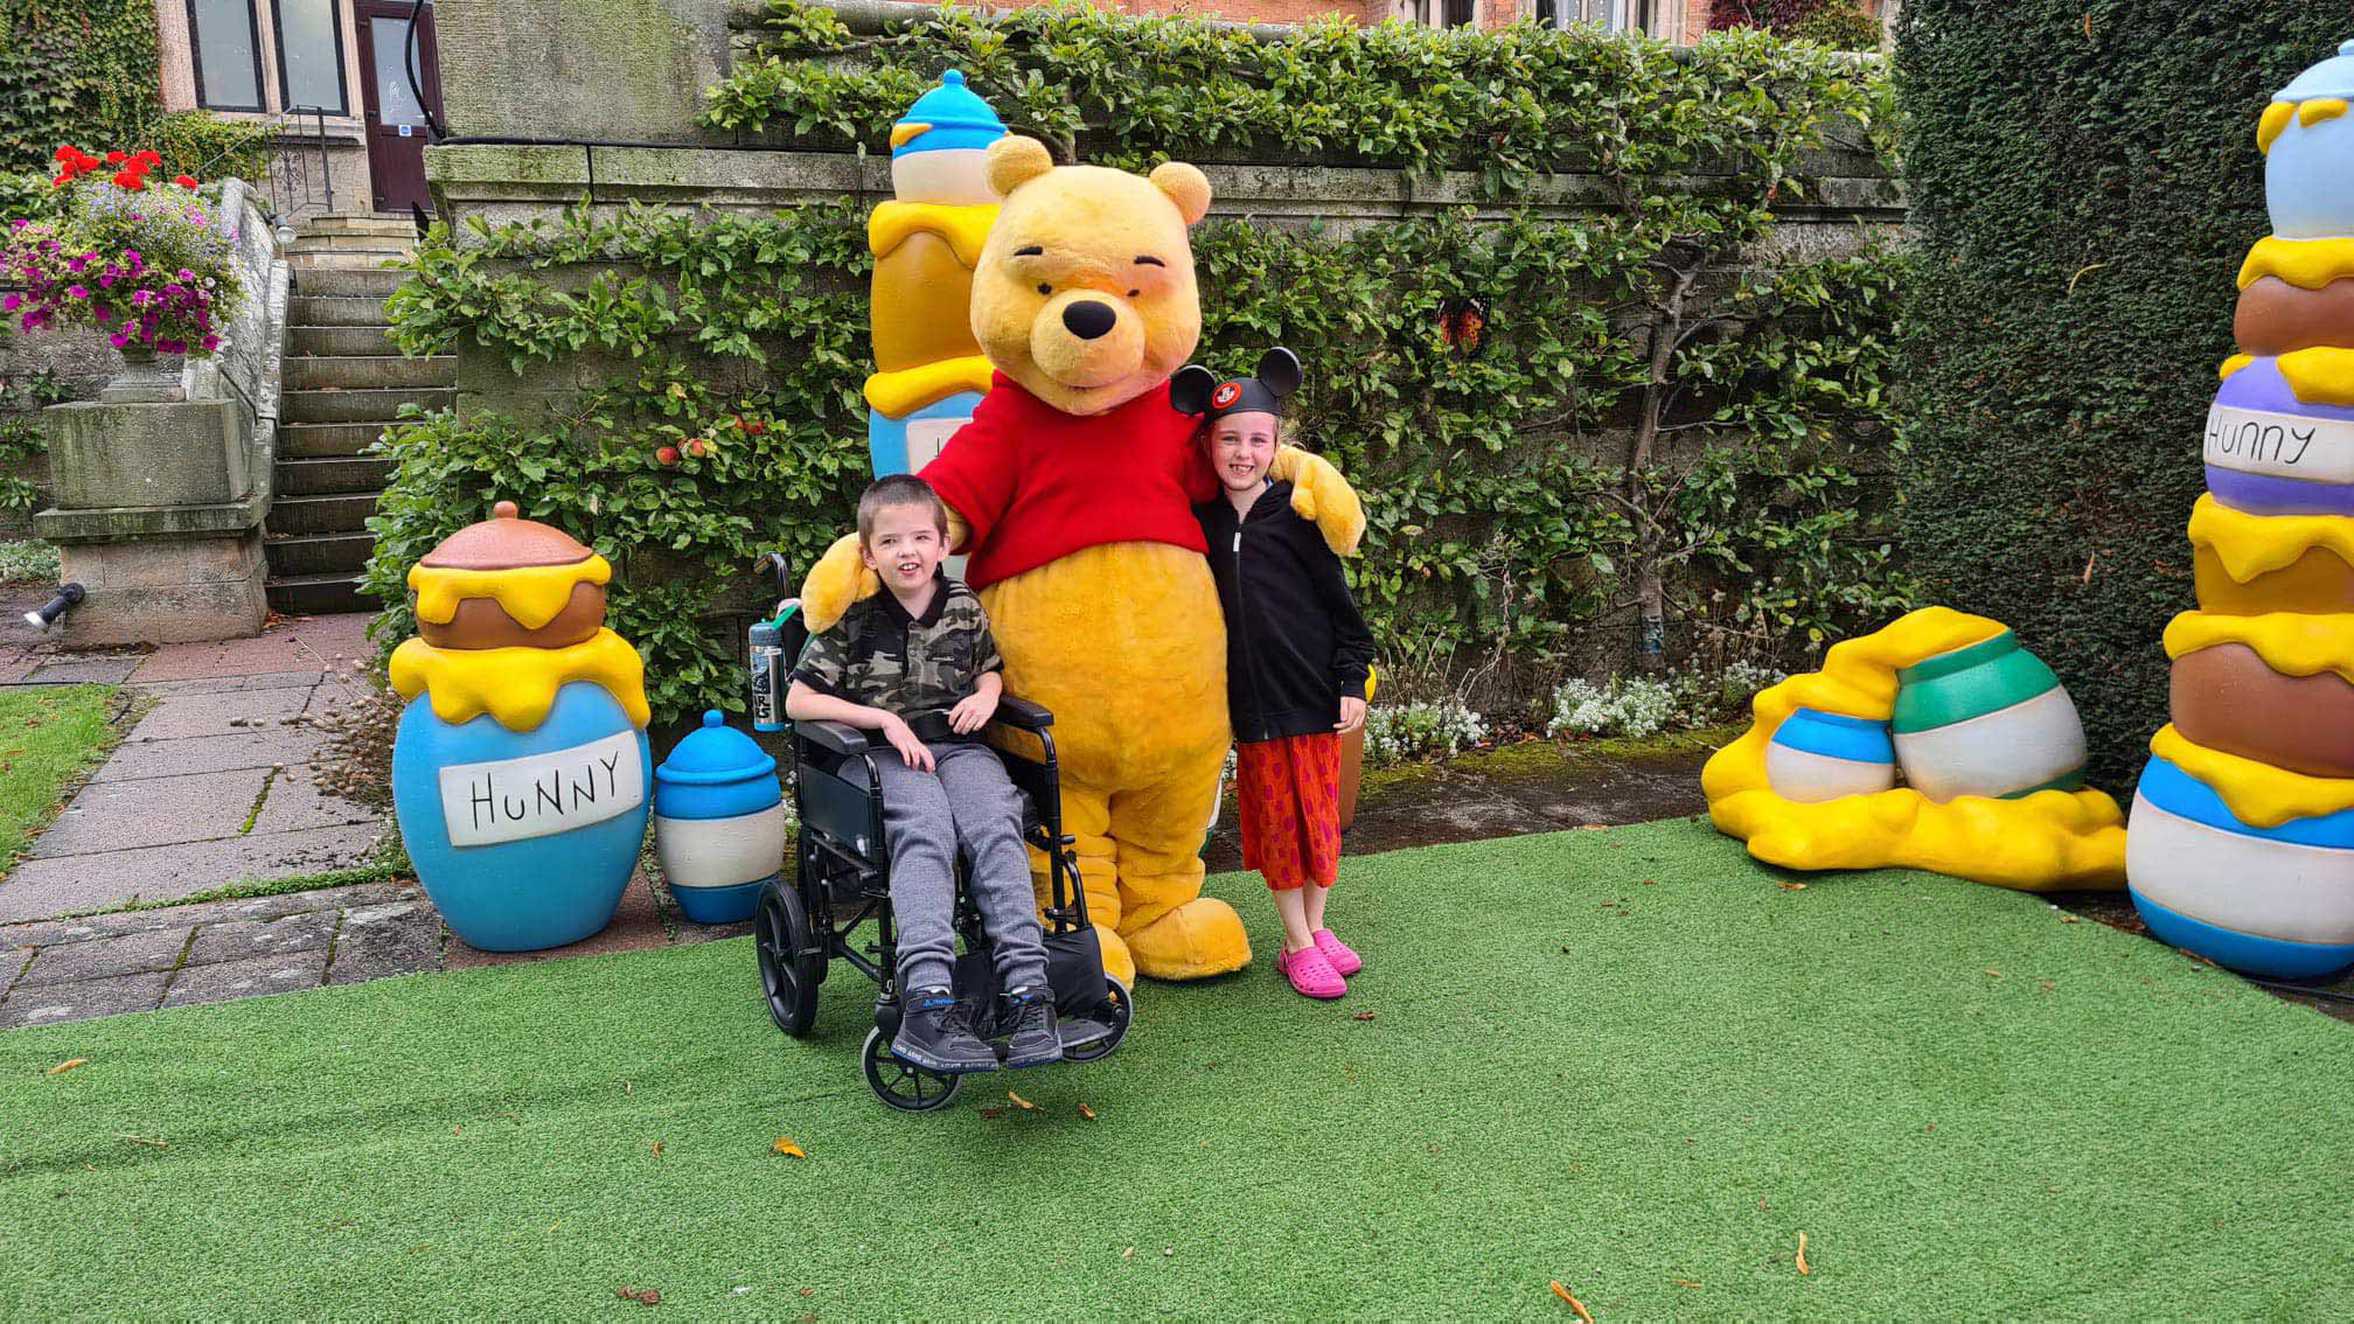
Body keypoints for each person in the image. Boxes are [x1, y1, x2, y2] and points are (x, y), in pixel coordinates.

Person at [785, 474, 1060, 1073]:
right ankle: (929, 1000)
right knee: (927, 827)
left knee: (994, 820)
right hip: (877, 755)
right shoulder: (854, 616)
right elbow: (799, 701)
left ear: (942, 544)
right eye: (890, 542)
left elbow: (989, 669)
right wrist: (882, 721)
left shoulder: (961, 604)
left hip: (958, 747)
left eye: (919, 538)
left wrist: (988, 696)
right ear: (868, 553)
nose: (906, 552)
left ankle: (1029, 992)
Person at [1184, 349, 1376, 1000]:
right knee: (1277, 828)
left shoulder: (1298, 518)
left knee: (1321, 822)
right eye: (1229, 439)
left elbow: (1343, 613)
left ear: (1275, 445)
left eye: (1256, 440)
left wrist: (1351, 682)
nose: (1242, 452)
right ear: (1209, 443)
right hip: (1253, 711)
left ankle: (1317, 929)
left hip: (1314, 699)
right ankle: (1294, 944)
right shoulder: (1198, 524)